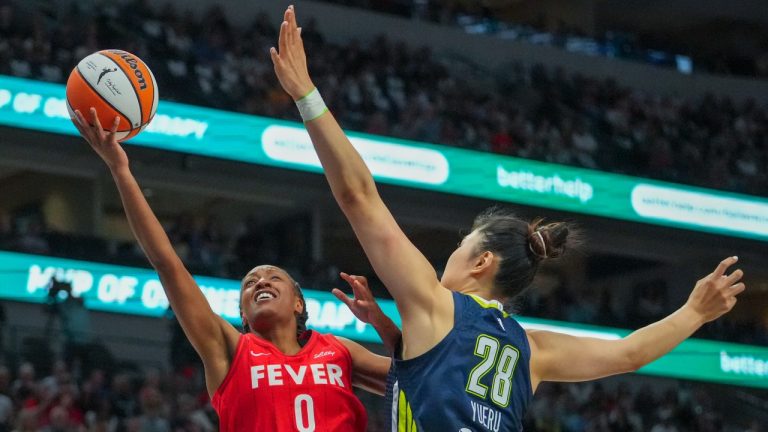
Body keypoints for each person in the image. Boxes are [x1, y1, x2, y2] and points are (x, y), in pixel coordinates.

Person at [271, 6, 747, 430]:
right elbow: (629, 354)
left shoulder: (435, 304)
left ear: (482, 262)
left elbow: (358, 195)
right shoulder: (532, 348)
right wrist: (694, 312)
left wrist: (307, 94)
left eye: (459, 246)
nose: (447, 259)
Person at [71, 107, 399, 431]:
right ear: (243, 315)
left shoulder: (337, 350)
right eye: (250, 283)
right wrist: (120, 170)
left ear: (299, 303)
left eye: (273, 277)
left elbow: (424, 376)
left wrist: (382, 324)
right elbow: (167, 263)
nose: (260, 283)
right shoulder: (230, 349)